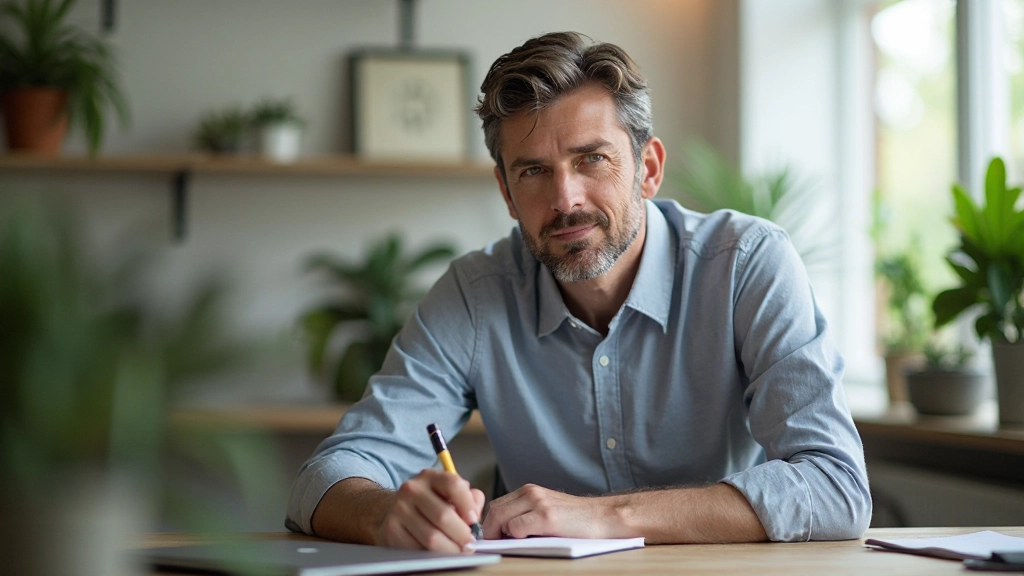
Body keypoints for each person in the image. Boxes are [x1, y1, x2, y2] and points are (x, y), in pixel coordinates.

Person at [286, 31, 871, 552]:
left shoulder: (747, 264)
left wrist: (606, 517)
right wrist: (386, 512)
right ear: (507, 193)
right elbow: (326, 476)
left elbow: (836, 487)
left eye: (591, 159)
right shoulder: (474, 293)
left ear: (648, 167)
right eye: (533, 171)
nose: (565, 199)